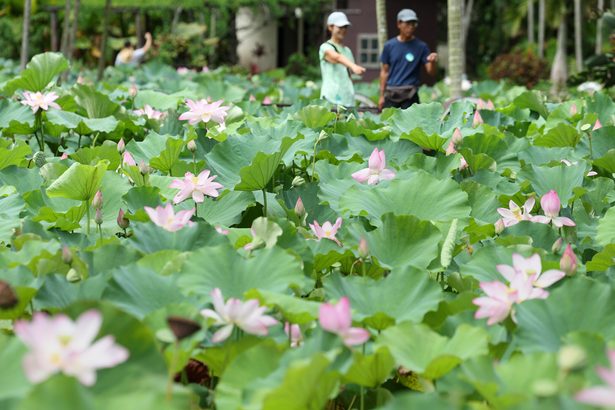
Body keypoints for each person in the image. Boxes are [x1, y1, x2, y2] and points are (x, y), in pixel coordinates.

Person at [379, 9, 438, 110]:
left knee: (412, 124)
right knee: (386, 123)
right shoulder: (389, 46)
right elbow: (384, 72)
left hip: (410, 95)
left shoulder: (421, 47)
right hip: (391, 94)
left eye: (413, 23)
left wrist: (432, 62)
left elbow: (431, 72)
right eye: (407, 23)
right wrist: (381, 96)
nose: (411, 27)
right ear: (399, 24)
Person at [319, 12, 366, 107]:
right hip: (331, 98)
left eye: (345, 27)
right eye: (340, 27)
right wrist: (353, 66)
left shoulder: (347, 50)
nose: (343, 30)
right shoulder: (325, 47)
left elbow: (349, 74)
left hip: (348, 98)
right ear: (330, 27)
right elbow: (336, 57)